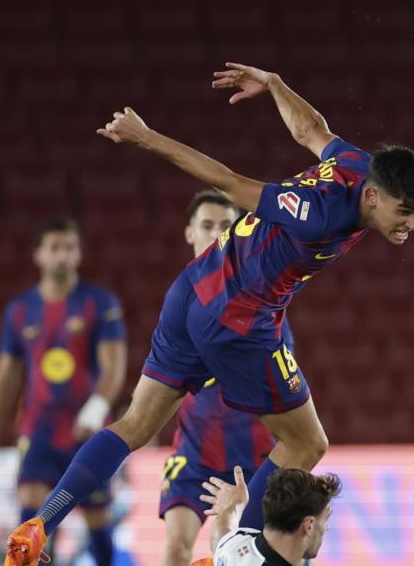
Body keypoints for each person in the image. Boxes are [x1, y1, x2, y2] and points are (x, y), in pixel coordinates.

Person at [3, 61, 414, 566]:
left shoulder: (360, 165)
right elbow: (229, 183)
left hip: (191, 290)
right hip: (239, 318)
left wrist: (275, 84)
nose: (413, 225)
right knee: (305, 442)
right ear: (375, 197)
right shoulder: (319, 215)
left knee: (136, 424)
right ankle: (235, 554)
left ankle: (39, 525)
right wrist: (148, 139)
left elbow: (311, 130)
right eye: (406, 212)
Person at [0, 217, 128, 566]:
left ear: (79, 254)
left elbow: (115, 364)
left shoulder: (99, 303)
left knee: (98, 525)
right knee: (34, 518)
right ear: (38, 255)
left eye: (70, 248)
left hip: (87, 430)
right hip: (39, 429)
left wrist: (98, 405)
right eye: (55, 248)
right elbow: (6, 376)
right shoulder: (19, 311)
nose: (63, 256)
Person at [162, 190, 276, 566]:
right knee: (178, 544)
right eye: (207, 225)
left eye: (225, 226)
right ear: (189, 233)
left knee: (270, 551)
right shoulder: (178, 301)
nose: (215, 234)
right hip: (196, 454)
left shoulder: (263, 299)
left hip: (255, 457)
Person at [193, 466, 340, 566]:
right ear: (310, 525)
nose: (326, 528)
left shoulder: (238, 541)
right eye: (325, 519)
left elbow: (222, 531)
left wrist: (236, 504)